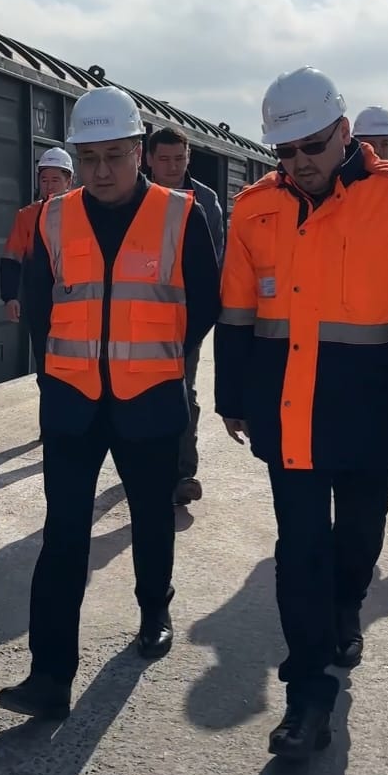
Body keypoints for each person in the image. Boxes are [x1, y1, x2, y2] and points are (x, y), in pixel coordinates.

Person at [0, 87, 221, 720]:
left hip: (148, 399)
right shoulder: (54, 217)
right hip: (72, 403)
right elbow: (39, 304)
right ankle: (49, 676)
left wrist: (157, 355)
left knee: (150, 517)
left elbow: (204, 304)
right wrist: (56, 375)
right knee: (63, 533)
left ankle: (153, 609)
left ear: (138, 152)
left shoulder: (180, 215)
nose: (100, 172)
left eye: (114, 157)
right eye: (89, 158)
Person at [215, 67, 388, 760]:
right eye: (285, 152)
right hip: (287, 408)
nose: (298, 163)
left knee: (357, 536)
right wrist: (232, 396)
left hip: (370, 409)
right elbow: (237, 309)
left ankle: (347, 604)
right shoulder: (255, 208)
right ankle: (307, 696)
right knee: (299, 550)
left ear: (345, 133)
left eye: (312, 147)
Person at [147, 123, 225, 506]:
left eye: (179, 159)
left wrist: (199, 317)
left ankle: (182, 474)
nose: (173, 167)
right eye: (164, 159)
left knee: (183, 391)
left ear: (189, 157)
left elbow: (214, 264)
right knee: (143, 394)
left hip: (185, 316)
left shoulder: (206, 201)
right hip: (142, 313)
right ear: (149, 160)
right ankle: (147, 465)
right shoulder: (135, 198)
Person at [0, 148, 74, 436]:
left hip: (77, 303)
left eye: (56, 179)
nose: (49, 185)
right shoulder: (27, 216)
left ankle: (73, 424)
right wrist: (10, 296)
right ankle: (50, 428)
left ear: (69, 181)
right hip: (40, 302)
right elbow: (11, 259)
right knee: (45, 367)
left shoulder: (83, 214)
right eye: (44, 179)